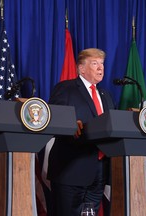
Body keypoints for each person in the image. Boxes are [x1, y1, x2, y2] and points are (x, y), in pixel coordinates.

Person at [47, 48, 115, 215]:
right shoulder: (66, 88)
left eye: (102, 64)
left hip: (99, 172)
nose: (101, 68)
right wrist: (71, 124)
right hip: (71, 170)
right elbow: (53, 119)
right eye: (94, 63)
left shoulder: (106, 95)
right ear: (81, 68)